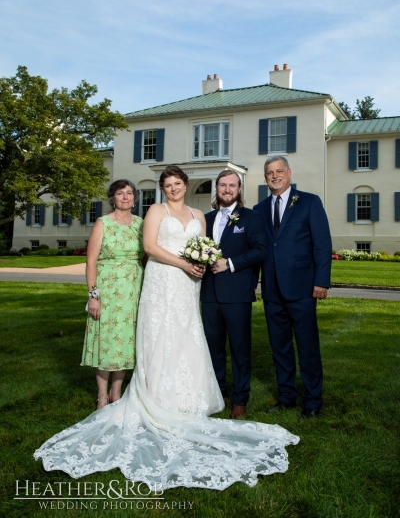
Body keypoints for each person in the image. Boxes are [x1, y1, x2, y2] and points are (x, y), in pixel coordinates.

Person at [34, 166, 299, 490]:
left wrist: (198, 264)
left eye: (178, 184)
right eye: (168, 184)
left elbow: (203, 246)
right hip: (161, 280)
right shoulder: (156, 211)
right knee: (159, 336)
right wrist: (185, 263)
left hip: (189, 287)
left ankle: (188, 398)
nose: (173, 188)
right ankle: (154, 397)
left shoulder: (199, 216)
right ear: (163, 188)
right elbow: (150, 247)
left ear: (185, 186)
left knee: (187, 337)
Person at [253, 156, 332, 419]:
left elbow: (321, 244)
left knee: (307, 346)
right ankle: (287, 396)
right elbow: (260, 250)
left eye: (278, 171)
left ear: (288, 173)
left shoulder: (309, 202)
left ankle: (313, 400)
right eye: (269, 172)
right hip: (272, 289)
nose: (274, 176)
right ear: (265, 178)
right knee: (280, 346)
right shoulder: (259, 208)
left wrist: (321, 280)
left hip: (302, 288)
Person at [201, 170, 268, 419]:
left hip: (237, 294)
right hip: (209, 294)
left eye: (232, 185)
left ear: (239, 189)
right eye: (223, 185)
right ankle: (219, 393)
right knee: (213, 348)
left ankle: (241, 399)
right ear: (216, 188)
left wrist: (229, 263)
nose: (227, 189)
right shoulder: (204, 219)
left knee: (240, 349)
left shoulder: (251, 218)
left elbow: (261, 250)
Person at [81, 179, 145, 409]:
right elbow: (90, 262)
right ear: (113, 198)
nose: (126, 197)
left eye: (129, 193)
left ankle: (116, 393)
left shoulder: (141, 224)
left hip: (133, 291)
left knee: (127, 341)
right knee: (106, 341)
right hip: (107, 290)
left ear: (135, 198)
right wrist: (93, 295)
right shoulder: (103, 223)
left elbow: (147, 256)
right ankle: (102, 395)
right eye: (120, 193)